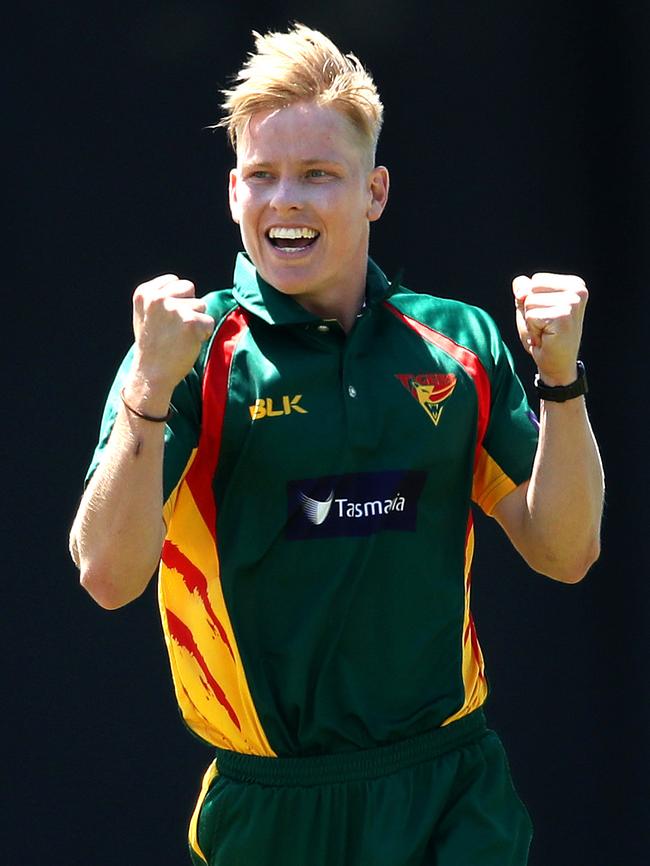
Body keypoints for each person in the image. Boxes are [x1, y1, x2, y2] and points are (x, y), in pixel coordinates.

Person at [69, 23, 604, 866]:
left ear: (375, 191)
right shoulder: (189, 355)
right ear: (232, 193)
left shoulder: (456, 344)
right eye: (263, 176)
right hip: (274, 806)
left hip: (451, 787)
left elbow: (566, 551)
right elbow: (106, 575)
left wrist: (563, 382)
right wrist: (146, 390)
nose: (287, 200)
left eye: (319, 175)